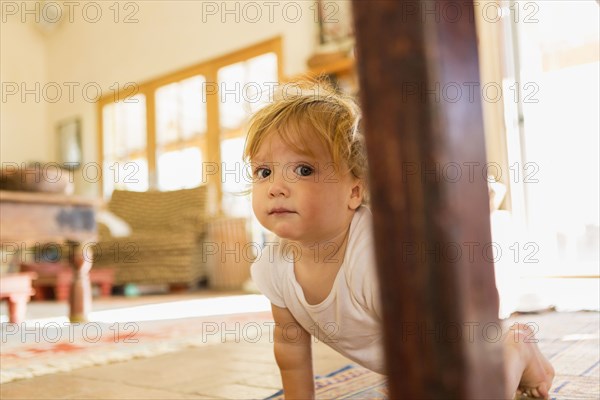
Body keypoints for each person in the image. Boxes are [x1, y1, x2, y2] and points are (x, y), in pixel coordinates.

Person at [245, 81, 555, 399]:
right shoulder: (273, 267)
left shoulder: (373, 258)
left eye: (304, 169)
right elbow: (289, 345)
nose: (275, 187)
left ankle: (513, 348)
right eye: (264, 172)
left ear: (354, 191)